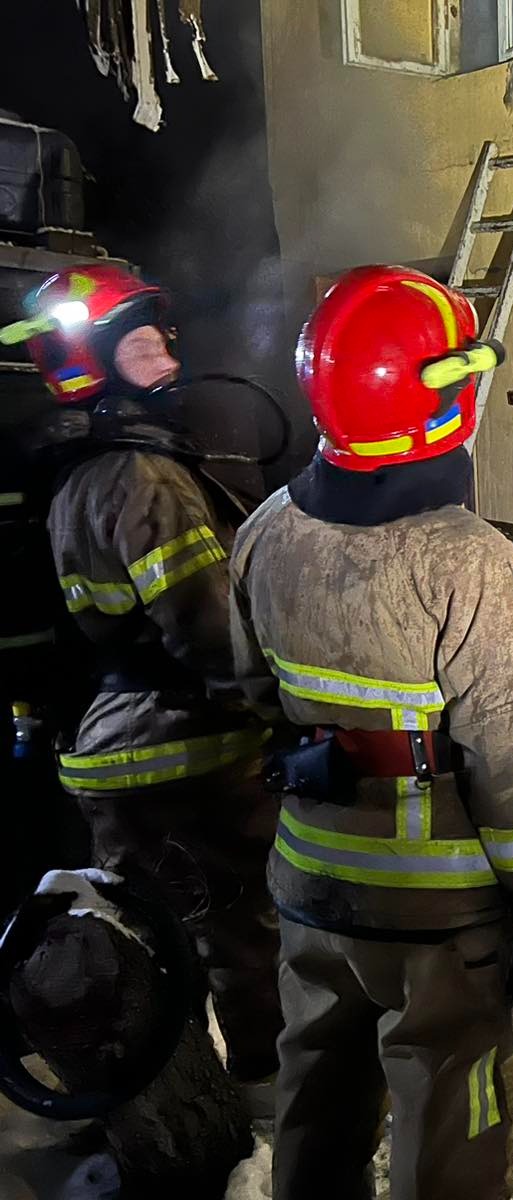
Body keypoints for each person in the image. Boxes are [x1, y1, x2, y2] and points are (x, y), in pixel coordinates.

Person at [229, 265, 513, 1200]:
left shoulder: (265, 529)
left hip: (310, 881)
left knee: (317, 1094)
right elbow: (506, 754)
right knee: (452, 1113)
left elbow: (252, 694)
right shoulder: (467, 557)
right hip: (436, 911)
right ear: (433, 402)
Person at [1, 264, 283, 1086]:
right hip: (188, 750)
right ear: (94, 362)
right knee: (242, 934)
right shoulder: (141, 476)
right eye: (140, 340)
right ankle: (266, 1097)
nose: (166, 352)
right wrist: (286, 714)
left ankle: (171, 1103)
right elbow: (209, 629)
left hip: (108, 750)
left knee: (151, 946)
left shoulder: (73, 473)